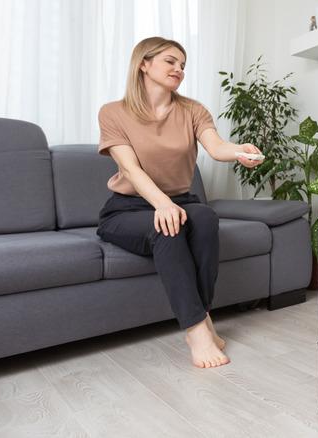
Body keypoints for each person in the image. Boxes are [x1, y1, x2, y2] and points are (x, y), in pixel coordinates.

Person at [96, 37, 263, 368]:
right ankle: (198, 331)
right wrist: (162, 204)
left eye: (183, 65)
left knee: (204, 217)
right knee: (169, 226)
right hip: (128, 209)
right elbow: (130, 168)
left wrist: (241, 150)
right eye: (171, 61)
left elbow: (216, 147)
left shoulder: (192, 110)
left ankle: (200, 320)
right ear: (144, 63)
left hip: (181, 201)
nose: (179, 70)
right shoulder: (113, 112)